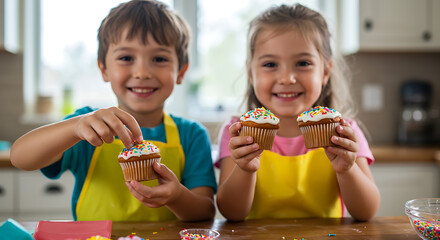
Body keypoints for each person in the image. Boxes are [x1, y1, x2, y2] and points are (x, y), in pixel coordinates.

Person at [10, 0, 216, 222]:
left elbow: (205, 211)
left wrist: (176, 196)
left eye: (159, 59)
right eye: (126, 58)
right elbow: (20, 157)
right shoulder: (87, 127)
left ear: (181, 71)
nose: (142, 72)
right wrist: (74, 127)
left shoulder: (192, 135)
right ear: (104, 69)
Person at [215, 3, 380, 222]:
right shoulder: (237, 133)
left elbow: (367, 212)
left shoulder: (344, 131)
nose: (287, 78)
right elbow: (231, 213)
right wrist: (244, 169)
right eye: (270, 64)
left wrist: (347, 169)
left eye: (302, 63)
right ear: (251, 73)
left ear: (325, 71)